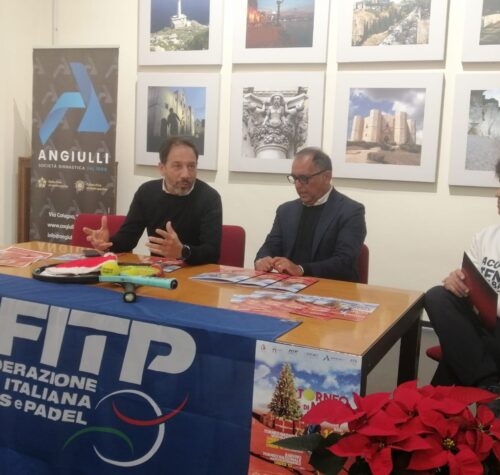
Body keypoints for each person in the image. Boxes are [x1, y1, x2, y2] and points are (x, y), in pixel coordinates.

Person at [424, 158, 500, 399]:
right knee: (437, 296)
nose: (497, 194)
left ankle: (437, 405)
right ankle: (489, 382)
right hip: (484, 323)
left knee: (458, 350)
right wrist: (456, 282)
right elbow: (471, 282)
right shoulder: (486, 237)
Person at [83, 137, 222, 265]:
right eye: (177, 166)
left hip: (194, 273)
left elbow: (212, 253)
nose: (186, 174)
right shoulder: (147, 192)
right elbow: (128, 240)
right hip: (158, 272)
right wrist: (107, 243)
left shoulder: (209, 197)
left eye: (191, 166)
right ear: (162, 168)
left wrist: (182, 251)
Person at [254, 147, 366, 281]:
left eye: (304, 178)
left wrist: (301, 269)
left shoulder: (350, 211)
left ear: (326, 177)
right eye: (294, 178)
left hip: (331, 287)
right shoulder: (286, 210)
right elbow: (270, 246)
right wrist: (262, 260)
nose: (297, 185)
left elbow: (344, 261)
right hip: (288, 286)